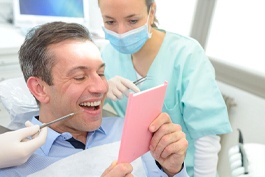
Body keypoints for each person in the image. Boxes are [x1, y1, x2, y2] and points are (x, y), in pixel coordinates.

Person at [0, 21, 189, 177]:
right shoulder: (14, 164)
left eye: (101, 73)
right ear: (40, 89)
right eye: (80, 77)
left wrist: (173, 170)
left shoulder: (127, 130)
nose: (101, 87)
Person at [98, 0, 232, 176]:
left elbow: (206, 137)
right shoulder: (107, 55)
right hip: (137, 167)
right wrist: (103, 90)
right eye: (110, 22)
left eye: (132, 21)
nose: (121, 32)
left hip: (182, 170)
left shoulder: (186, 55)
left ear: (151, 12)